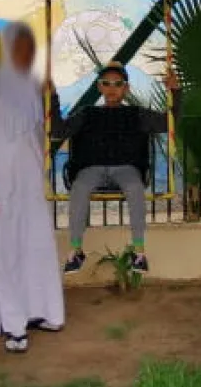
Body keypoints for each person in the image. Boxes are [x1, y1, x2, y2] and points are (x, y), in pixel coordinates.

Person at [0, 22, 64, 354]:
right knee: (5, 251)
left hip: (29, 182)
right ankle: (13, 325)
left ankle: (39, 310)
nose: (26, 54)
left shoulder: (35, 86)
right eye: (20, 48)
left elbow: (45, 132)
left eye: (30, 49)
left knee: (36, 245)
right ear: (8, 49)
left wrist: (52, 96)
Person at [50, 62, 181, 275]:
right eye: (106, 83)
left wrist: (175, 92)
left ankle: (139, 252)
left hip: (125, 168)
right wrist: (52, 97)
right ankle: (76, 250)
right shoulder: (87, 114)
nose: (112, 88)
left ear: (126, 88)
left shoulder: (136, 114)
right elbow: (58, 131)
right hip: (92, 168)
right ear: (99, 87)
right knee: (80, 188)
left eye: (118, 84)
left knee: (135, 188)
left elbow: (168, 123)